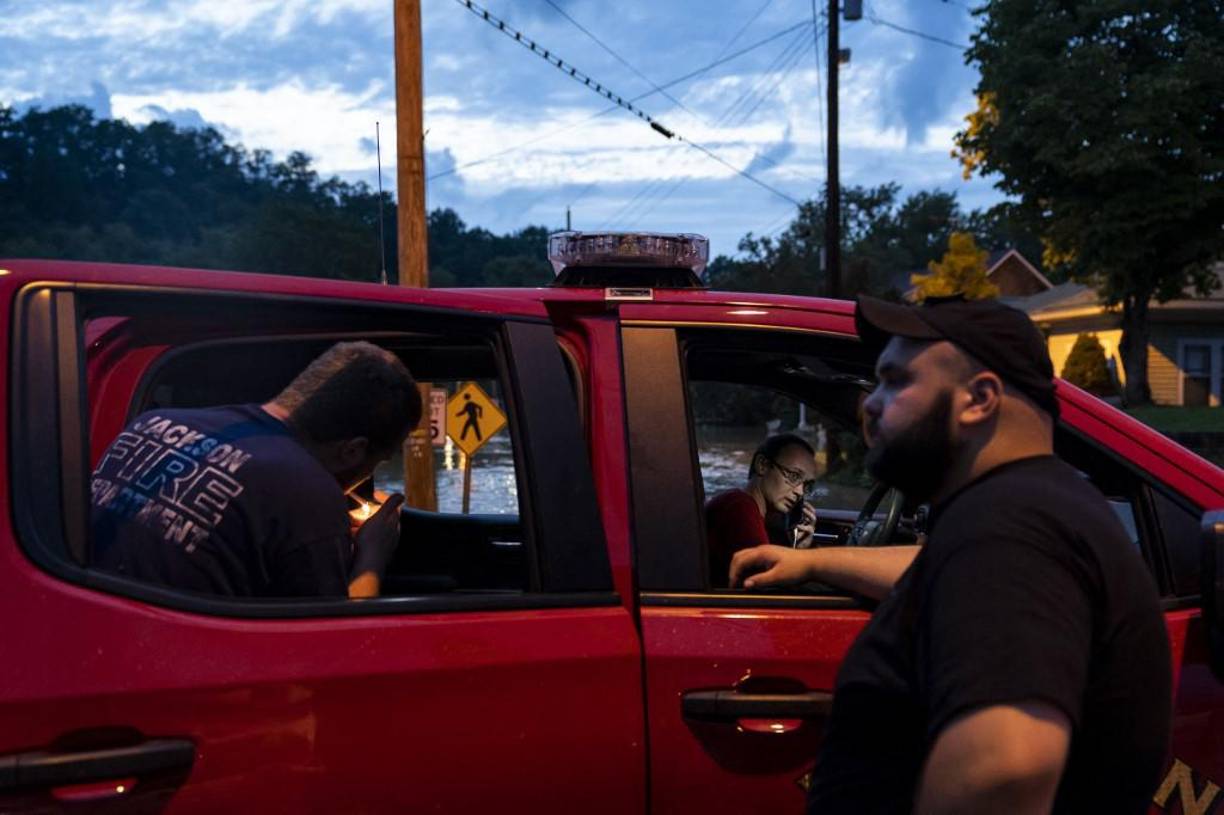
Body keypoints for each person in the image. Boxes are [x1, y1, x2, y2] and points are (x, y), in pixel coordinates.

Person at [730, 294, 1171, 814]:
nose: (870, 404)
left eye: (896, 382)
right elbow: (944, 569)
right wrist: (813, 562)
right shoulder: (1024, 514)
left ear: (979, 398)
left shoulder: (1009, 530)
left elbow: (1003, 771)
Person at [91, 341, 422, 600]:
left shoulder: (153, 423)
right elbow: (335, 648)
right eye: (379, 461)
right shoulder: (305, 491)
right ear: (353, 450)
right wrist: (372, 556)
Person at [705, 433, 818, 587]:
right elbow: (766, 588)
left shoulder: (745, 507)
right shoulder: (739, 508)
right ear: (762, 465)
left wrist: (798, 552)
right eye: (793, 476)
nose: (800, 492)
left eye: (807, 485)